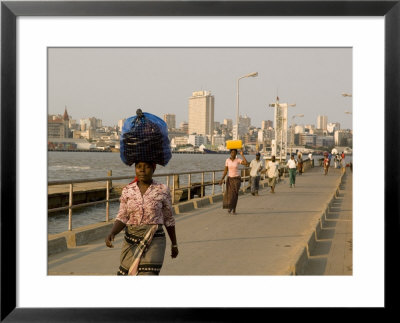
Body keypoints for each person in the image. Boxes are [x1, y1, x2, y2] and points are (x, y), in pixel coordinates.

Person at [105, 161, 178, 275]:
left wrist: (174, 244)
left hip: (155, 239)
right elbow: (123, 216)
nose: (142, 170)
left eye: (147, 167)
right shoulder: (128, 190)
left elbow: (168, 219)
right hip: (131, 239)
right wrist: (112, 232)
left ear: (153, 169)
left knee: (148, 274)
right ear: (135, 169)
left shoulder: (162, 190)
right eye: (139, 167)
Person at [219, 149, 248, 214]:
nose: (233, 154)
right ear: (230, 153)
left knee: (235, 194)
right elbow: (225, 171)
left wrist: (242, 155)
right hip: (230, 179)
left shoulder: (238, 160)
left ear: (236, 154)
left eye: (234, 152)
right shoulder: (227, 160)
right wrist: (222, 179)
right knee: (230, 194)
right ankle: (231, 207)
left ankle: (233, 208)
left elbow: (246, 163)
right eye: (232, 152)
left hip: (237, 179)